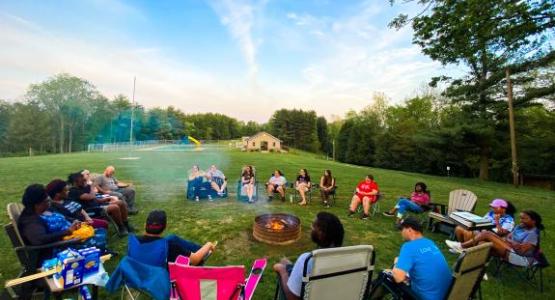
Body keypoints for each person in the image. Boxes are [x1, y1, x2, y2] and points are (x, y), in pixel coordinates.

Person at [370, 217, 452, 300]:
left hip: (424, 297)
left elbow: (398, 278)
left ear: (409, 230)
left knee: (384, 275)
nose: (401, 232)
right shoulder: (429, 242)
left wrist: (396, 263)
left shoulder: (409, 247)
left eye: (402, 229)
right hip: (444, 295)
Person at [273, 212, 344, 300]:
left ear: (322, 234)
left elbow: (292, 297)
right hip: (331, 292)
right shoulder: (351, 259)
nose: (311, 227)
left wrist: (282, 271)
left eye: (314, 225)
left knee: (281, 265)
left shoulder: (308, 260)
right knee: (284, 261)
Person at [446, 210, 543, 267]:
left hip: (519, 257)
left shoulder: (533, 234)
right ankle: (472, 264)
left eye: (524, 218)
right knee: (482, 243)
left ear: (534, 221)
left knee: (487, 234)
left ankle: (462, 246)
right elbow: (508, 237)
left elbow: (520, 250)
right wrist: (508, 241)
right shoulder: (519, 227)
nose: (521, 220)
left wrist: (507, 241)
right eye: (521, 218)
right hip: (510, 248)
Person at [137, 210, 216, 265]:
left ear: (145, 225)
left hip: (144, 274)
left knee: (172, 237)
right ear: (164, 228)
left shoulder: (136, 242)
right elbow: (195, 260)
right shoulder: (169, 247)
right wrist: (208, 244)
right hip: (163, 280)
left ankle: (200, 249)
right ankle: (204, 251)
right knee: (198, 257)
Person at [68, 172, 132, 236]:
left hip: (98, 206)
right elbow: (90, 197)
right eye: (81, 180)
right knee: (114, 207)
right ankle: (121, 228)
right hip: (90, 211)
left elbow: (93, 199)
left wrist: (103, 200)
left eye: (83, 179)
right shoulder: (73, 191)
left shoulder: (83, 188)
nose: (83, 181)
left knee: (120, 202)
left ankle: (126, 225)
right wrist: (92, 186)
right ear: (75, 182)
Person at [451, 199, 515, 246]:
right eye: (492, 207)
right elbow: (482, 221)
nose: (492, 209)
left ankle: (462, 247)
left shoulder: (509, 220)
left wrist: (497, 221)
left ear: (503, 209)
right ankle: (462, 247)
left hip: (492, 236)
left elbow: (501, 234)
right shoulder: (491, 213)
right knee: (459, 228)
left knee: (469, 233)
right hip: (481, 230)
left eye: (495, 207)